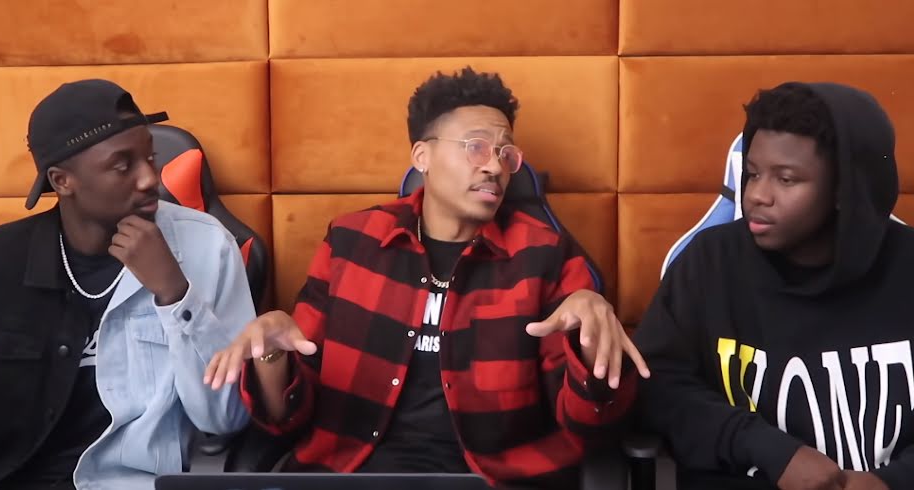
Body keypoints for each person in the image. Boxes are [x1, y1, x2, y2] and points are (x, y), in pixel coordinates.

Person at [206, 66, 650, 489]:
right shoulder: (353, 242)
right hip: (351, 476)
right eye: (477, 147)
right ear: (423, 156)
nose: (495, 167)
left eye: (505, 153)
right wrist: (271, 357)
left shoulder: (544, 256)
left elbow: (590, 424)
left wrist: (589, 349)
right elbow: (284, 418)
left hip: (492, 481)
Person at [0, 79, 255, 489]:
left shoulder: (207, 246)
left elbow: (226, 417)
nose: (150, 178)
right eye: (123, 165)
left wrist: (175, 294)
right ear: (62, 181)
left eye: (150, 156)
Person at [634, 81, 913, 490]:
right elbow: (656, 386)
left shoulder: (906, 267)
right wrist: (768, 449)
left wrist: (893, 481)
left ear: (844, 189)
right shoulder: (710, 263)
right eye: (752, 174)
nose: (756, 196)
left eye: (786, 179)